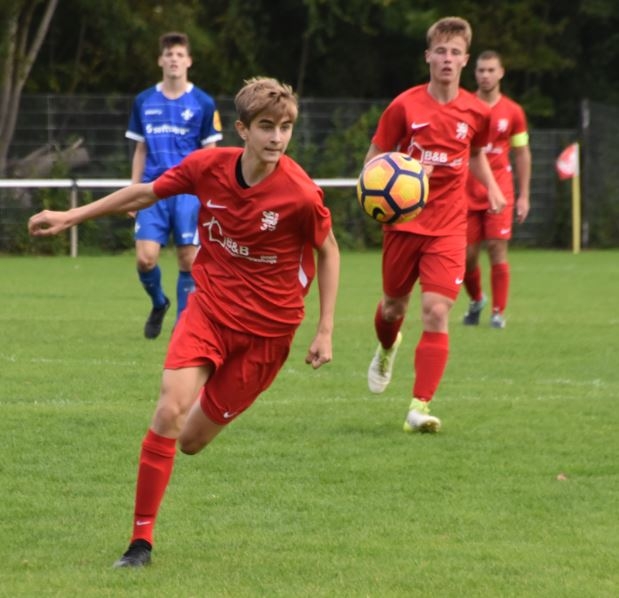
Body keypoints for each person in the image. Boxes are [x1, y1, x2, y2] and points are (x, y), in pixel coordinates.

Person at [28, 77, 340, 567]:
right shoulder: (207, 167)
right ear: (242, 129)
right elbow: (144, 193)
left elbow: (329, 249)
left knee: (190, 441)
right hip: (209, 309)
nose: (277, 137)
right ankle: (140, 544)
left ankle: (197, 421)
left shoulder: (300, 194)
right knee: (169, 410)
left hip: (268, 334)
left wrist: (324, 330)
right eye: (266, 126)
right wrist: (72, 216)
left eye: (285, 128)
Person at [363, 17, 506, 433]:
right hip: (404, 225)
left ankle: (419, 407)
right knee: (393, 308)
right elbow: (374, 159)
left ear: (465, 60)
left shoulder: (477, 112)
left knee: (436, 310)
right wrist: (391, 185)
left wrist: (492, 187)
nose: (447, 58)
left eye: (455, 52)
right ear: (428, 56)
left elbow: (474, 153)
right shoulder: (404, 106)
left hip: (448, 226)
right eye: (440, 51)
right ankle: (387, 347)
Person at [126, 31, 223, 339]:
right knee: (145, 259)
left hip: (188, 192)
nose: (174, 60)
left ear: (189, 61)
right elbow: (140, 149)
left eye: (180, 55)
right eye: (169, 54)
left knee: (188, 260)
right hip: (152, 191)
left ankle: (182, 328)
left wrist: (211, 194)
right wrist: (132, 191)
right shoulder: (144, 101)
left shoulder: (203, 103)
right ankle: (159, 302)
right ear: (160, 60)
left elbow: (211, 154)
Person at [462, 50, 532, 329]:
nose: (485, 75)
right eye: (481, 70)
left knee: (496, 247)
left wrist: (524, 195)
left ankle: (497, 312)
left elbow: (522, 153)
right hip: (466, 190)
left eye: (491, 70)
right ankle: (477, 299)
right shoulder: (464, 106)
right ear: (475, 73)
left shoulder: (513, 112)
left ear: (501, 72)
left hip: (500, 189)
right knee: (466, 257)